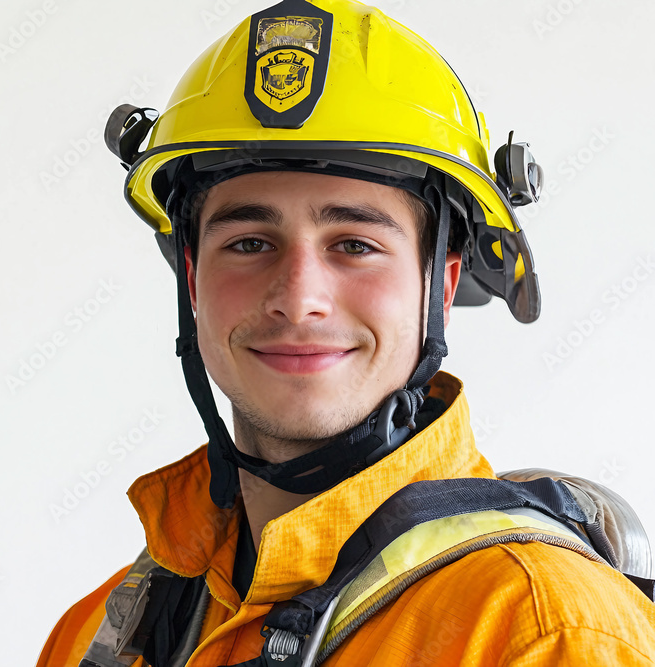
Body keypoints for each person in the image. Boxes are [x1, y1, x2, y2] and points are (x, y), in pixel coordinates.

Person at [36, 0, 655, 664]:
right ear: (192, 277)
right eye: (249, 242)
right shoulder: (94, 636)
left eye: (354, 244)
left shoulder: (544, 631)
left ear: (439, 286)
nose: (299, 300)